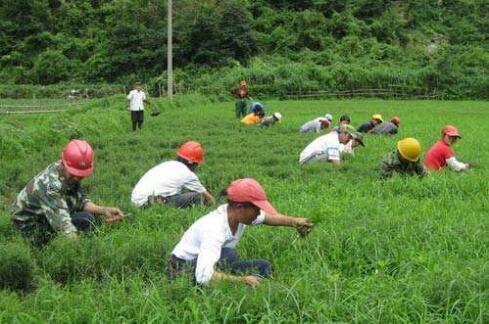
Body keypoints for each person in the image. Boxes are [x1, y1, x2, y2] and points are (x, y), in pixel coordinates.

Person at [166, 178, 314, 286]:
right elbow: (203, 276)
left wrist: (294, 222)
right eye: (255, 209)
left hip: (202, 262)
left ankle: (238, 283)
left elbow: (269, 218)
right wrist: (242, 281)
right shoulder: (214, 229)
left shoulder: (239, 216)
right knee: (228, 258)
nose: (258, 213)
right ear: (239, 207)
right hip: (182, 269)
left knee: (259, 265)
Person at [11, 140, 125, 246]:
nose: (77, 178)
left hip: (47, 213)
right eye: (74, 174)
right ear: (64, 163)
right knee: (86, 220)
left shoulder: (69, 173)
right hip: (30, 227)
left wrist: (104, 210)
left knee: (94, 218)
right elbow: (63, 225)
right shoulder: (51, 185)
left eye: (81, 175)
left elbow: (81, 201)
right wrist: (86, 253)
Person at [131, 141, 215, 208]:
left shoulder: (169, 164)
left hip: (135, 201)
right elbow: (208, 198)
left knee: (181, 193)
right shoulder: (188, 174)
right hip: (148, 203)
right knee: (197, 197)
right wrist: (216, 207)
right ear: (194, 163)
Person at [299, 125, 365, 165]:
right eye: (349, 137)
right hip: (306, 161)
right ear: (343, 133)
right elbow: (336, 162)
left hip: (311, 158)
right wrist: (342, 173)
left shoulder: (334, 137)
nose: (349, 140)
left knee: (336, 155)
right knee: (333, 154)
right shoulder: (333, 139)